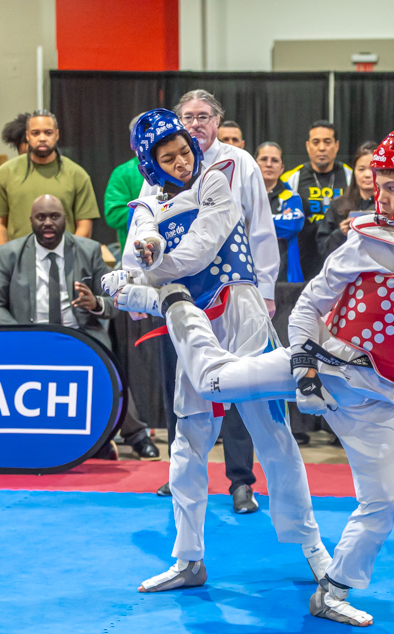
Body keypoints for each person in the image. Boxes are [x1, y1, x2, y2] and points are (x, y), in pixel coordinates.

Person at [106, 129, 394, 627]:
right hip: (322, 363)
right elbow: (308, 304)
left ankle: (333, 587)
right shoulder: (367, 239)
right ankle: (169, 303)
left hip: (374, 391)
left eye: (392, 187)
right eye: (378, 185)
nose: (381, 197)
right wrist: (305, 370)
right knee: (211, 385)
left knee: (381, 501)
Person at [111, 108, 330, 590]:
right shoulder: (145, 204)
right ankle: (188, 557)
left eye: (184, 151)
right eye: (169, 158)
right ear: (151, 165)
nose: (182, 162)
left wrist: (141, 274)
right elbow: (137, 248)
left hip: (241, 313)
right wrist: (138, 264)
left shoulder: (217, 181)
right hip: (193, 323)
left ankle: (315, 551)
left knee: (273, 436)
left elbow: (197, 251)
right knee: (188, 443)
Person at [136, 90, 279, 512]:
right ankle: (182, 472)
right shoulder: (155, 173)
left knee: (241, 388)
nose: (195, 124)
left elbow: (261, 228)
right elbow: (142, 229)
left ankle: (241, 481)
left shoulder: (237, 164)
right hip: (181, 295)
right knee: (184, 389)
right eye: (188, 116)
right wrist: (141, 285)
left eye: (203, 116)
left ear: (217, 121)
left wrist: (266, 288)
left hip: (230, 290)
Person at [0, 194, 157, 461]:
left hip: (80, 335)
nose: (48, 223)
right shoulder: (9, 254)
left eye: (54, 216)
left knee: (105, 367)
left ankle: (136, 436)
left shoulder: (89, 250)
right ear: (30, 220)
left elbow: (116, 299)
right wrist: (20, 336)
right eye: (41, 217)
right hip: (29, 336)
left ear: (66, 219)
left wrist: (95, 303)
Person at [0, 110, 99, 247]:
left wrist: (71, 255)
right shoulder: (5, 173)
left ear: (57, 135)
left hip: (64, 257)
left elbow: (84, 225)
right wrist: (5, 257)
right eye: (35, 133)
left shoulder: (77, 175)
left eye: (48, 133)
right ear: (27, 136)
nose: (42, 138)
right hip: (18, 257)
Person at [281, 121, 353, 281]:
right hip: (303, 261)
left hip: (340, 259)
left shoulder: (351, 177)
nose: (321, 148)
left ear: (336, 145)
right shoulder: (291, 178)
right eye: (316, 142)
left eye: (327, 142)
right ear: (308, 146)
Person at [317, 141, 377, 259]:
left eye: (373, 169)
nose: (367, 174)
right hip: (344, 266)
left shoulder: (389, 206)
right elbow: (322, 248)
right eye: (361, 169)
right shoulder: (338, 205)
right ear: (354, 172)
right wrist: (341, 233)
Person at [255, 141, 305, 283]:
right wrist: (278, 221)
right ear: (255, 164)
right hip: (250, 275)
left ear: (282, 168)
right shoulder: (243, 195)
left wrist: (253, 223)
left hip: (284, 276)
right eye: (264, 159)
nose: (269, 164)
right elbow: (236, 224)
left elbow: (293, 225)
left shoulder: (292, 197)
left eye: (275, 160)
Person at [104, 114, 146, 254]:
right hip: (136, 254)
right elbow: (113, 215)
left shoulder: (176, 166)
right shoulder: (122, 173)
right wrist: (151, 212)